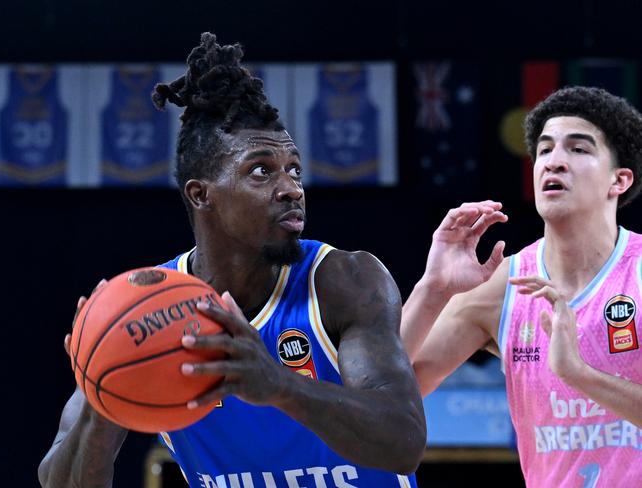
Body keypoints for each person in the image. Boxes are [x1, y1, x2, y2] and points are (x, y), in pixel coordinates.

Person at [38, 32, 426, 488]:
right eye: (262, 170)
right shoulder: (149, 311)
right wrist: (103, 400)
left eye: (294, 169)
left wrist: (280, 384)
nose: (292, 188)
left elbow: (403, 441)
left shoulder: (344, 281)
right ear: (202, 195)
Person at [401, 86, 642, 487]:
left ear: (618, 180)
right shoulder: (503, 285)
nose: (555, 162)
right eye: (545, 150)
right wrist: (434, 288)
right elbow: (387, 389)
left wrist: (577, 373)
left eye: (578, 150)